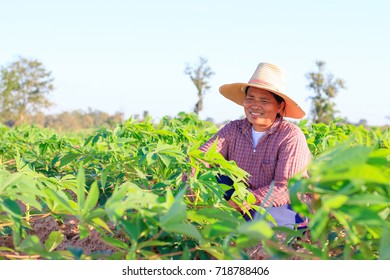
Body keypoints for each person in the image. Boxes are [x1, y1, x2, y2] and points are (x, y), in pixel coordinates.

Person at [199, 62, 312, 229]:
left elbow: (285, 187)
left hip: (281, 205)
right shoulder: (233, 129)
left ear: (280, 106)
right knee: (215, 177)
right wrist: (190, 188)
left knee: (268, 221)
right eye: (250, 98)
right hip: (239, 202)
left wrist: (245, 200)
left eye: (264, 100)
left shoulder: (290, 136)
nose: (255, 105)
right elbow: (202, 156)